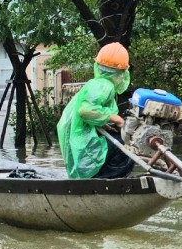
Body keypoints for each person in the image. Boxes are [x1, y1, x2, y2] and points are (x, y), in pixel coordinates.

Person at [57, 42, 135, 179]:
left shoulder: (96, 84)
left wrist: (102, 122)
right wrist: (116, 119)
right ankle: (107, 181)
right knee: (128, 147)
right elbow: (85, 110)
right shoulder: (105, 86)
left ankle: (100, 177)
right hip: (82, 141)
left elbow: (88, 113)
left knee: (118, 140)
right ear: (122, 71)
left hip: (77, 139)